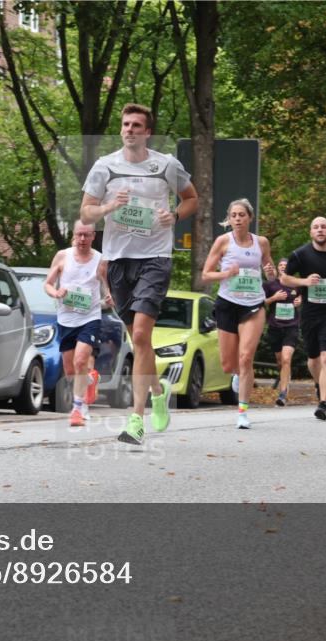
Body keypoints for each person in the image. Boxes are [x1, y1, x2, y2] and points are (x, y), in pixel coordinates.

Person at [80, 103, 198, 445]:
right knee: (138, 341)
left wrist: (175, 216)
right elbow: (86, 212)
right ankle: (159, 393)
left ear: (148, 132)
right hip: (119, 260)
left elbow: (192, 199)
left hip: (155, 258)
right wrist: (109, 206)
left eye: (136, 125)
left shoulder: (166, 165)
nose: (129, 129)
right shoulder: (105, 167)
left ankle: (135, 419)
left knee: (143, 335)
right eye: (125, 124)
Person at [200, 199, 275, 429]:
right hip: (227, 304)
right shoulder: (223, 241)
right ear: (229, 219)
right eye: (233, 215)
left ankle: (242, 412)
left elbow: (271, 273)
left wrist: (270, 272)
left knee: (246, 358)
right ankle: (237, 374)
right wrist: (226, 274)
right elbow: (206, 274)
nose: (238, 219)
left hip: (253, 305)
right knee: (228, 364)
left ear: (250, 217)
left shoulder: (261, 242)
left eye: (242, 215)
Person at [280, 217, 326, 421]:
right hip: (310, 315)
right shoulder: (300, 254)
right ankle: (321, 385)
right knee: (313, 360)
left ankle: (323, 404)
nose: (320, 230)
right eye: (316, 227)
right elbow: (285, 278)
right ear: (311, 232)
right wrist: (304, 281)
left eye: (324, 227)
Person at [44, 220, 113, 426]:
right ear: (73, 235)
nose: (82, 239)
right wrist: (56, 292)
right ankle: (86, 389)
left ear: (93, 236)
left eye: (86, 235)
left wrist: (110, 296)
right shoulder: (62, 256)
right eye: (79, 235)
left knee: (81, 361)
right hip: (66, 319)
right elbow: (47, 284)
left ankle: (76, 409)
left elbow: (108, 287)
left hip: (89, 317)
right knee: (71, 371)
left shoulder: (100, 260)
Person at [263, 258, 301, 407]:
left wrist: (300, 300)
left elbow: (305, 295)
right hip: (275, 327)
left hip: (291, 327)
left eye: (286, 265)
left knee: (286, 359)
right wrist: (274, 298)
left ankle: (283, 393)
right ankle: (285, 378)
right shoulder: (270, 284)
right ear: (277, 268)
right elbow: (261, 302)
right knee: (280, 362)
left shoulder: (296, 284)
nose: (283, 267)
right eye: (281, 265)